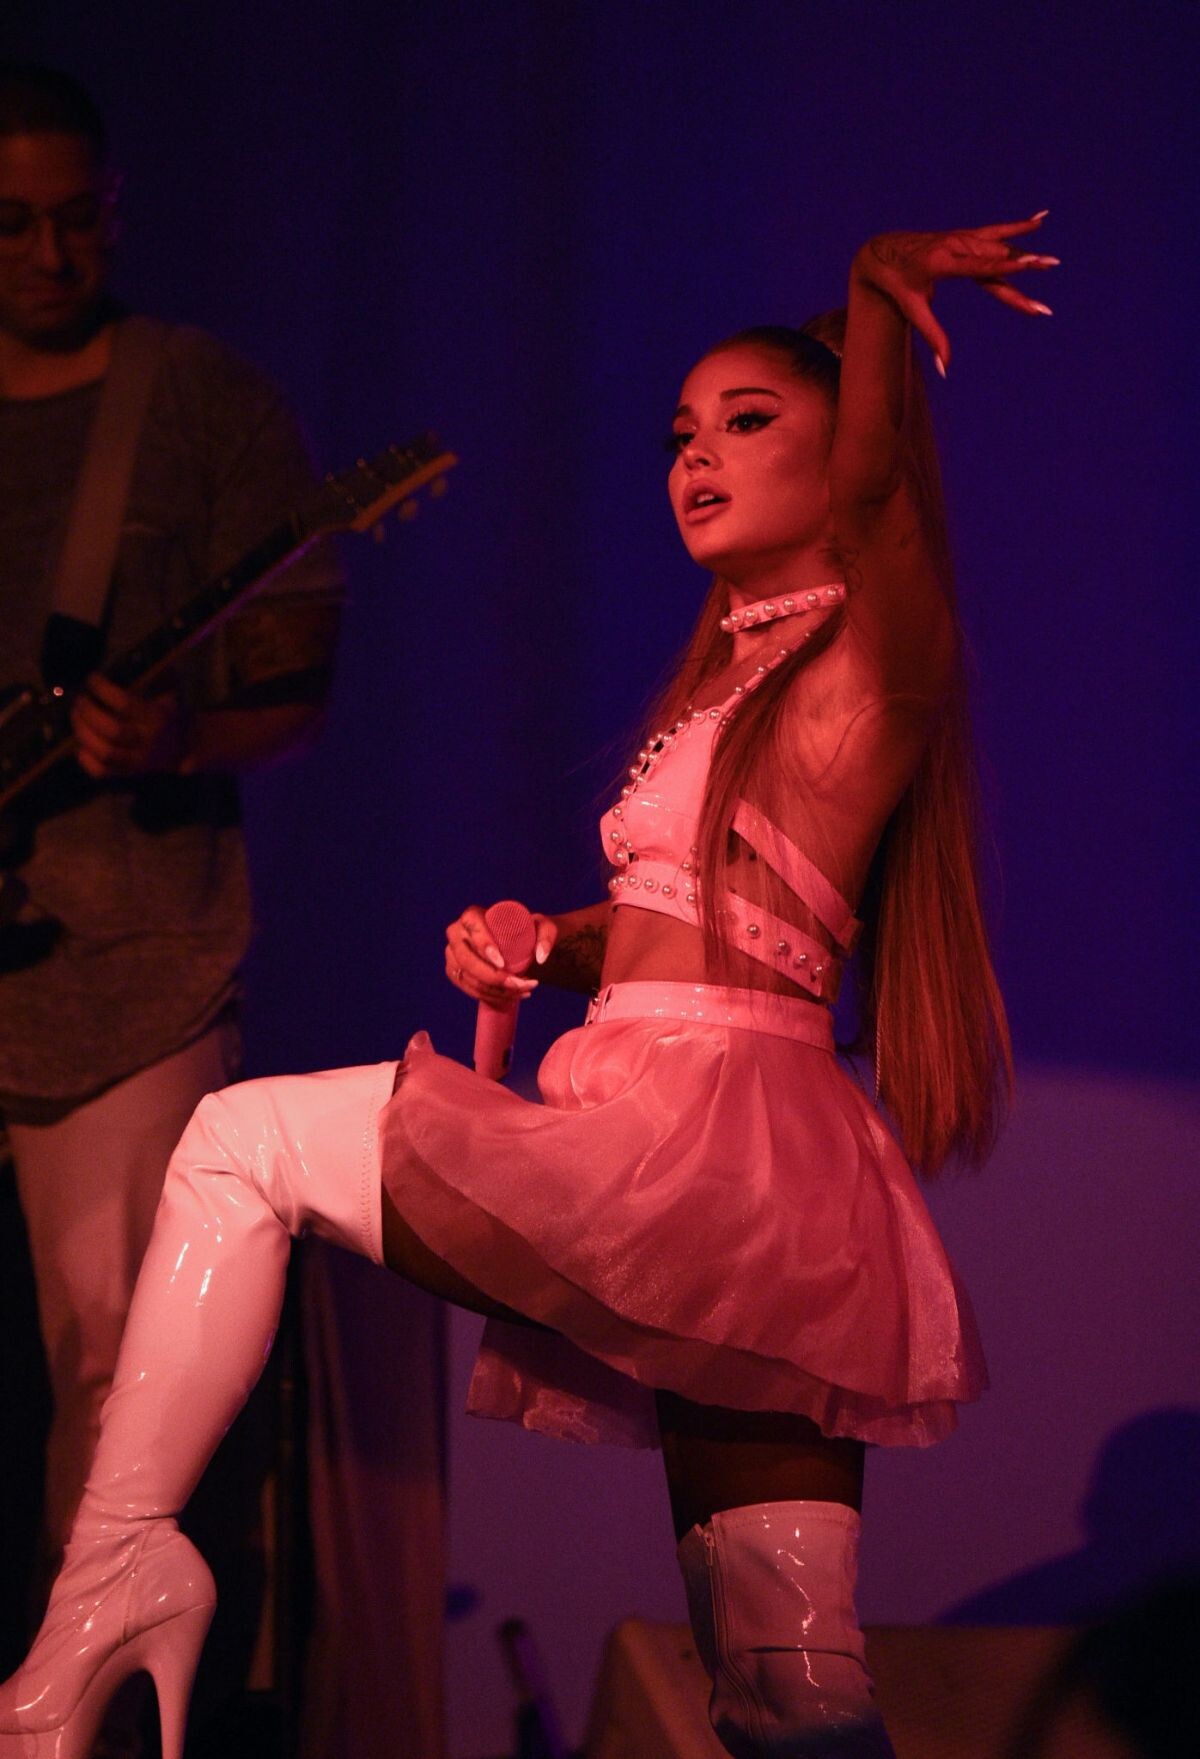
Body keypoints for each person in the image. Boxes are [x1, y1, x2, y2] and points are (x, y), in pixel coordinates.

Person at [0, 209, 1056, 1759]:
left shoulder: (873, 661)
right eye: (680, 434)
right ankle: (121, 1585)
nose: (695, 457)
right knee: (789, 1682)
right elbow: (715, 923)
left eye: (748, 423)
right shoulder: (739, 675)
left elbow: (890, 491)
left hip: (709, 1141)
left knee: (238, 1142)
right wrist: (552, 943)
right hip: (737, 1161)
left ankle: (117, 1576)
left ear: (845, 454)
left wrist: (874, 303)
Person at [0, 61, 341, 1623]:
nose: (52, 255)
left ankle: (82, 1699)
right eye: (13, 226)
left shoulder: (198, 402)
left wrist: (179, 737)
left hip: (128, 973)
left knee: (119, 1373)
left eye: (79, 219)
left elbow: (298, 685)